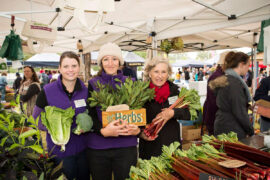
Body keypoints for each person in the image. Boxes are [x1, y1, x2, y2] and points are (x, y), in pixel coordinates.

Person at [87, 42, 140, 180]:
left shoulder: (131, 82)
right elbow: (90, 114)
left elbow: (140, 111)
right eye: (106, 59)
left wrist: (138, 129)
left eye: (114, 59)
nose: (110, 63)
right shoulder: (93, 84)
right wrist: (102, 131)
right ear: (101, 63)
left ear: (120, 62)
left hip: (126, 146)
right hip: (99, 147)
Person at [33, 51, 90, 180]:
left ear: (79, 67)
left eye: (74, 66)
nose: (70, 70)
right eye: (66, 66)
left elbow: (91, 115)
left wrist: (86, 126)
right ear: (59, 68)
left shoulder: (86, 91)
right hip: (59, 152)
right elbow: (36, 117)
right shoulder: (47, 91)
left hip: (83, 150)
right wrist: (55, 129)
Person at [139, 56, 190, 160]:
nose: (160, 76)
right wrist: (140, 133)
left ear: (168, 74)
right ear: (149, 73)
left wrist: (173, 113)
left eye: (163, 72)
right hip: (150, 146)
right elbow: (135, 120)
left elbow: (189, 114)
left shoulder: (175, 91)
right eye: (156, 71)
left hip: (172, 144)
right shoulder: (141, 93)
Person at [209, 51, 254, 140]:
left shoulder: (226, 79)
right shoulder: (234, 83)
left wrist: (245, 105)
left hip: (223, 124)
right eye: (248, 65)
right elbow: (239, 112)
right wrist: (251, 131)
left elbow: (230, 103)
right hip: (232, 128)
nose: (248, 69)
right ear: (241, 64)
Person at [202, 51, 228, 135]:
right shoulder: (217, 76)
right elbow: (214, 101)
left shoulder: (220, 74)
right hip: (214, 116)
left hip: (214, 116)